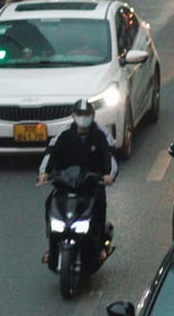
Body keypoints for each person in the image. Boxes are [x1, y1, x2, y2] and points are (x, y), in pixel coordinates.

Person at [37, 99, 117, 261]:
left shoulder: (100, 135)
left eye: (86, 114)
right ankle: (52, 247)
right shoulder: (64, 134)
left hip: (92, 184)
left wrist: (109, 175)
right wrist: (44, 172)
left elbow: (110, 156)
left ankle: (100, 246)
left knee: (99, 205)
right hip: (67, 183)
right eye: (80, 114)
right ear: (73, 116)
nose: (83, 118)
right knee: (50, 203)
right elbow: (50, 152)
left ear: (92, 116)